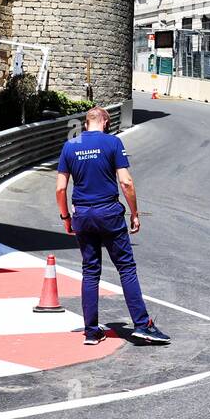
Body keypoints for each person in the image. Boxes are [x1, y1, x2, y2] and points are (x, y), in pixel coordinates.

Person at [56, 107, 170, 345]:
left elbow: (60, 188)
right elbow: (126, 182)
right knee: (126, 268)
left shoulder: (70, 146)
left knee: (90, 270)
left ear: (86, 124)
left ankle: (91, 331)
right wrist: (135, 213)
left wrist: (66, 217)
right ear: (105, 122)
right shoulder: (113, 143)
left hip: (83, 215)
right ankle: (142, 324)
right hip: (109, 214)